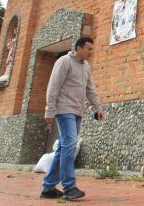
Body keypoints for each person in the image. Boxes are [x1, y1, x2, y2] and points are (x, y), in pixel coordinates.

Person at [40, 36, 104, 201]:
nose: (91, 52)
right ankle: (69, 187)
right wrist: (49, 110)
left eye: (91, 49)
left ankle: (48, 187)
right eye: (89, 49)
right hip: (64, 110)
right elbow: (53, 86)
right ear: (79, 48)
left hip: (77, 112)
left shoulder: (86, 66)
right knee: (69, 146)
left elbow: (90, 89)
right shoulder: (64, 62)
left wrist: (97, 107)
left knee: (63, 148)